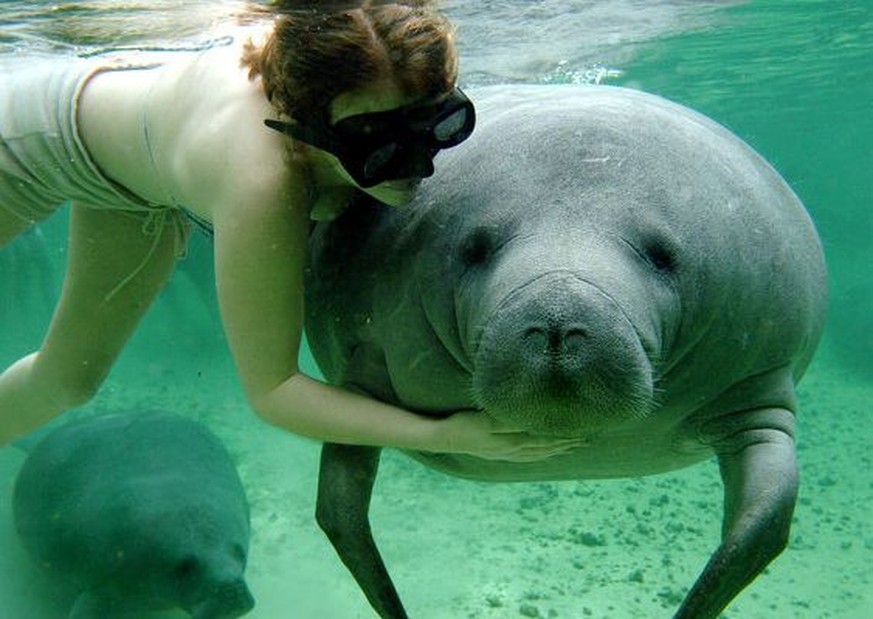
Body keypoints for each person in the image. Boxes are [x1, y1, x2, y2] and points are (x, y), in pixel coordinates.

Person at [0, 0, 579, 460]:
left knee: (65, 382)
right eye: (376, 148)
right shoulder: (261, 180)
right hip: (23, 142)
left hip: (135, 181)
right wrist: (444, 436)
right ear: (303, 130)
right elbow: (274, 393)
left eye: (438, 125)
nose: (417, 166)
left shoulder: (350, 83)